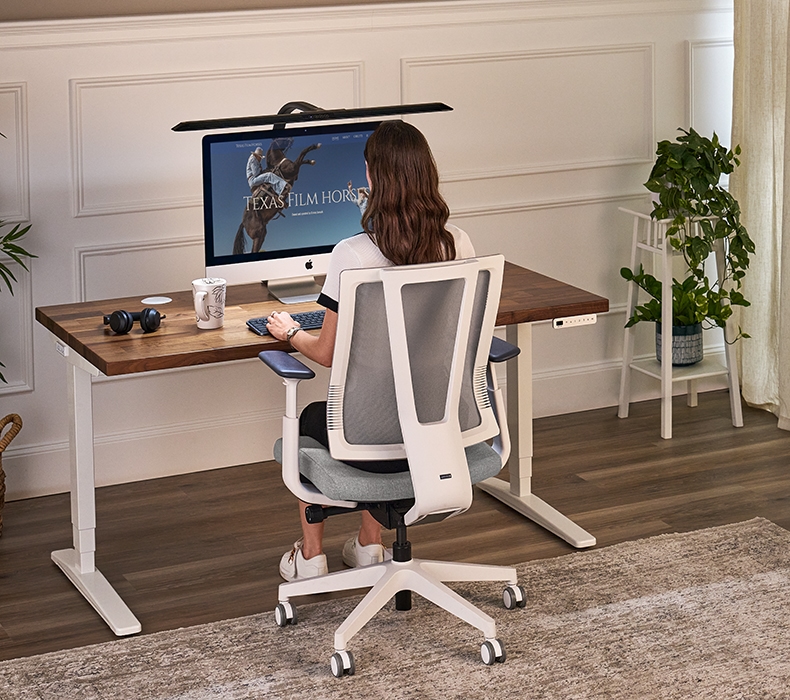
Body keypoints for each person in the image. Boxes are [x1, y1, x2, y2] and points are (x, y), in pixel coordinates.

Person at [265, 120, 476, 581]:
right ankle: (368, 546)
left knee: (315, 420)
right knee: (381, 406)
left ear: (371, 177)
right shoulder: (457, 243)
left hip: (369, 442)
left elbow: (324, 353)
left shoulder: (354, 254)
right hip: (439, 432)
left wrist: (287, 332)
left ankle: (311, 556)